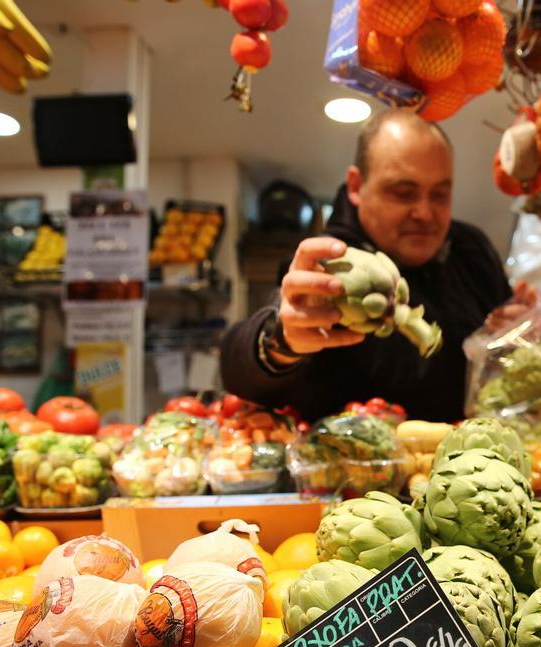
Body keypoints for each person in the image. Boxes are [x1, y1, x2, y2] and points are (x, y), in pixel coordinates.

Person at [221, 109, 519, 422]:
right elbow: (238, 369)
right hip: (354, 465)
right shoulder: (326, 267)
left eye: (440, 195)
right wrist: (279, 340)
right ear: (355, 186)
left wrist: (518, 328)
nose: (425, 213)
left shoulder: (472, 249)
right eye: (403, 193)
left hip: (473, 460)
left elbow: (503, 355)